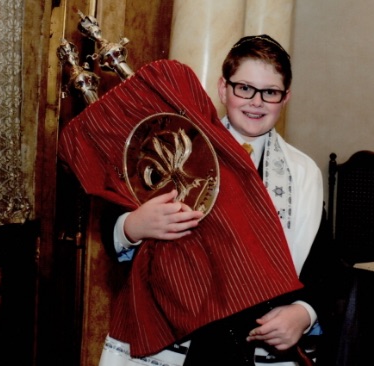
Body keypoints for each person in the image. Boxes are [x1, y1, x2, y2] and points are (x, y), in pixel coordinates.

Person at [96, 34, 329, 366]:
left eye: (270, 92)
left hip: (261, 338)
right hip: (185, 337)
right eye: (244, 88)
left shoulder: (303, 173)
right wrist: (133, 225)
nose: (256, 102)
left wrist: (303, 313)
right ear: (223, 89)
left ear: (286, 97)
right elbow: (114, 218)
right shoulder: (181, 144)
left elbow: (325, 264)